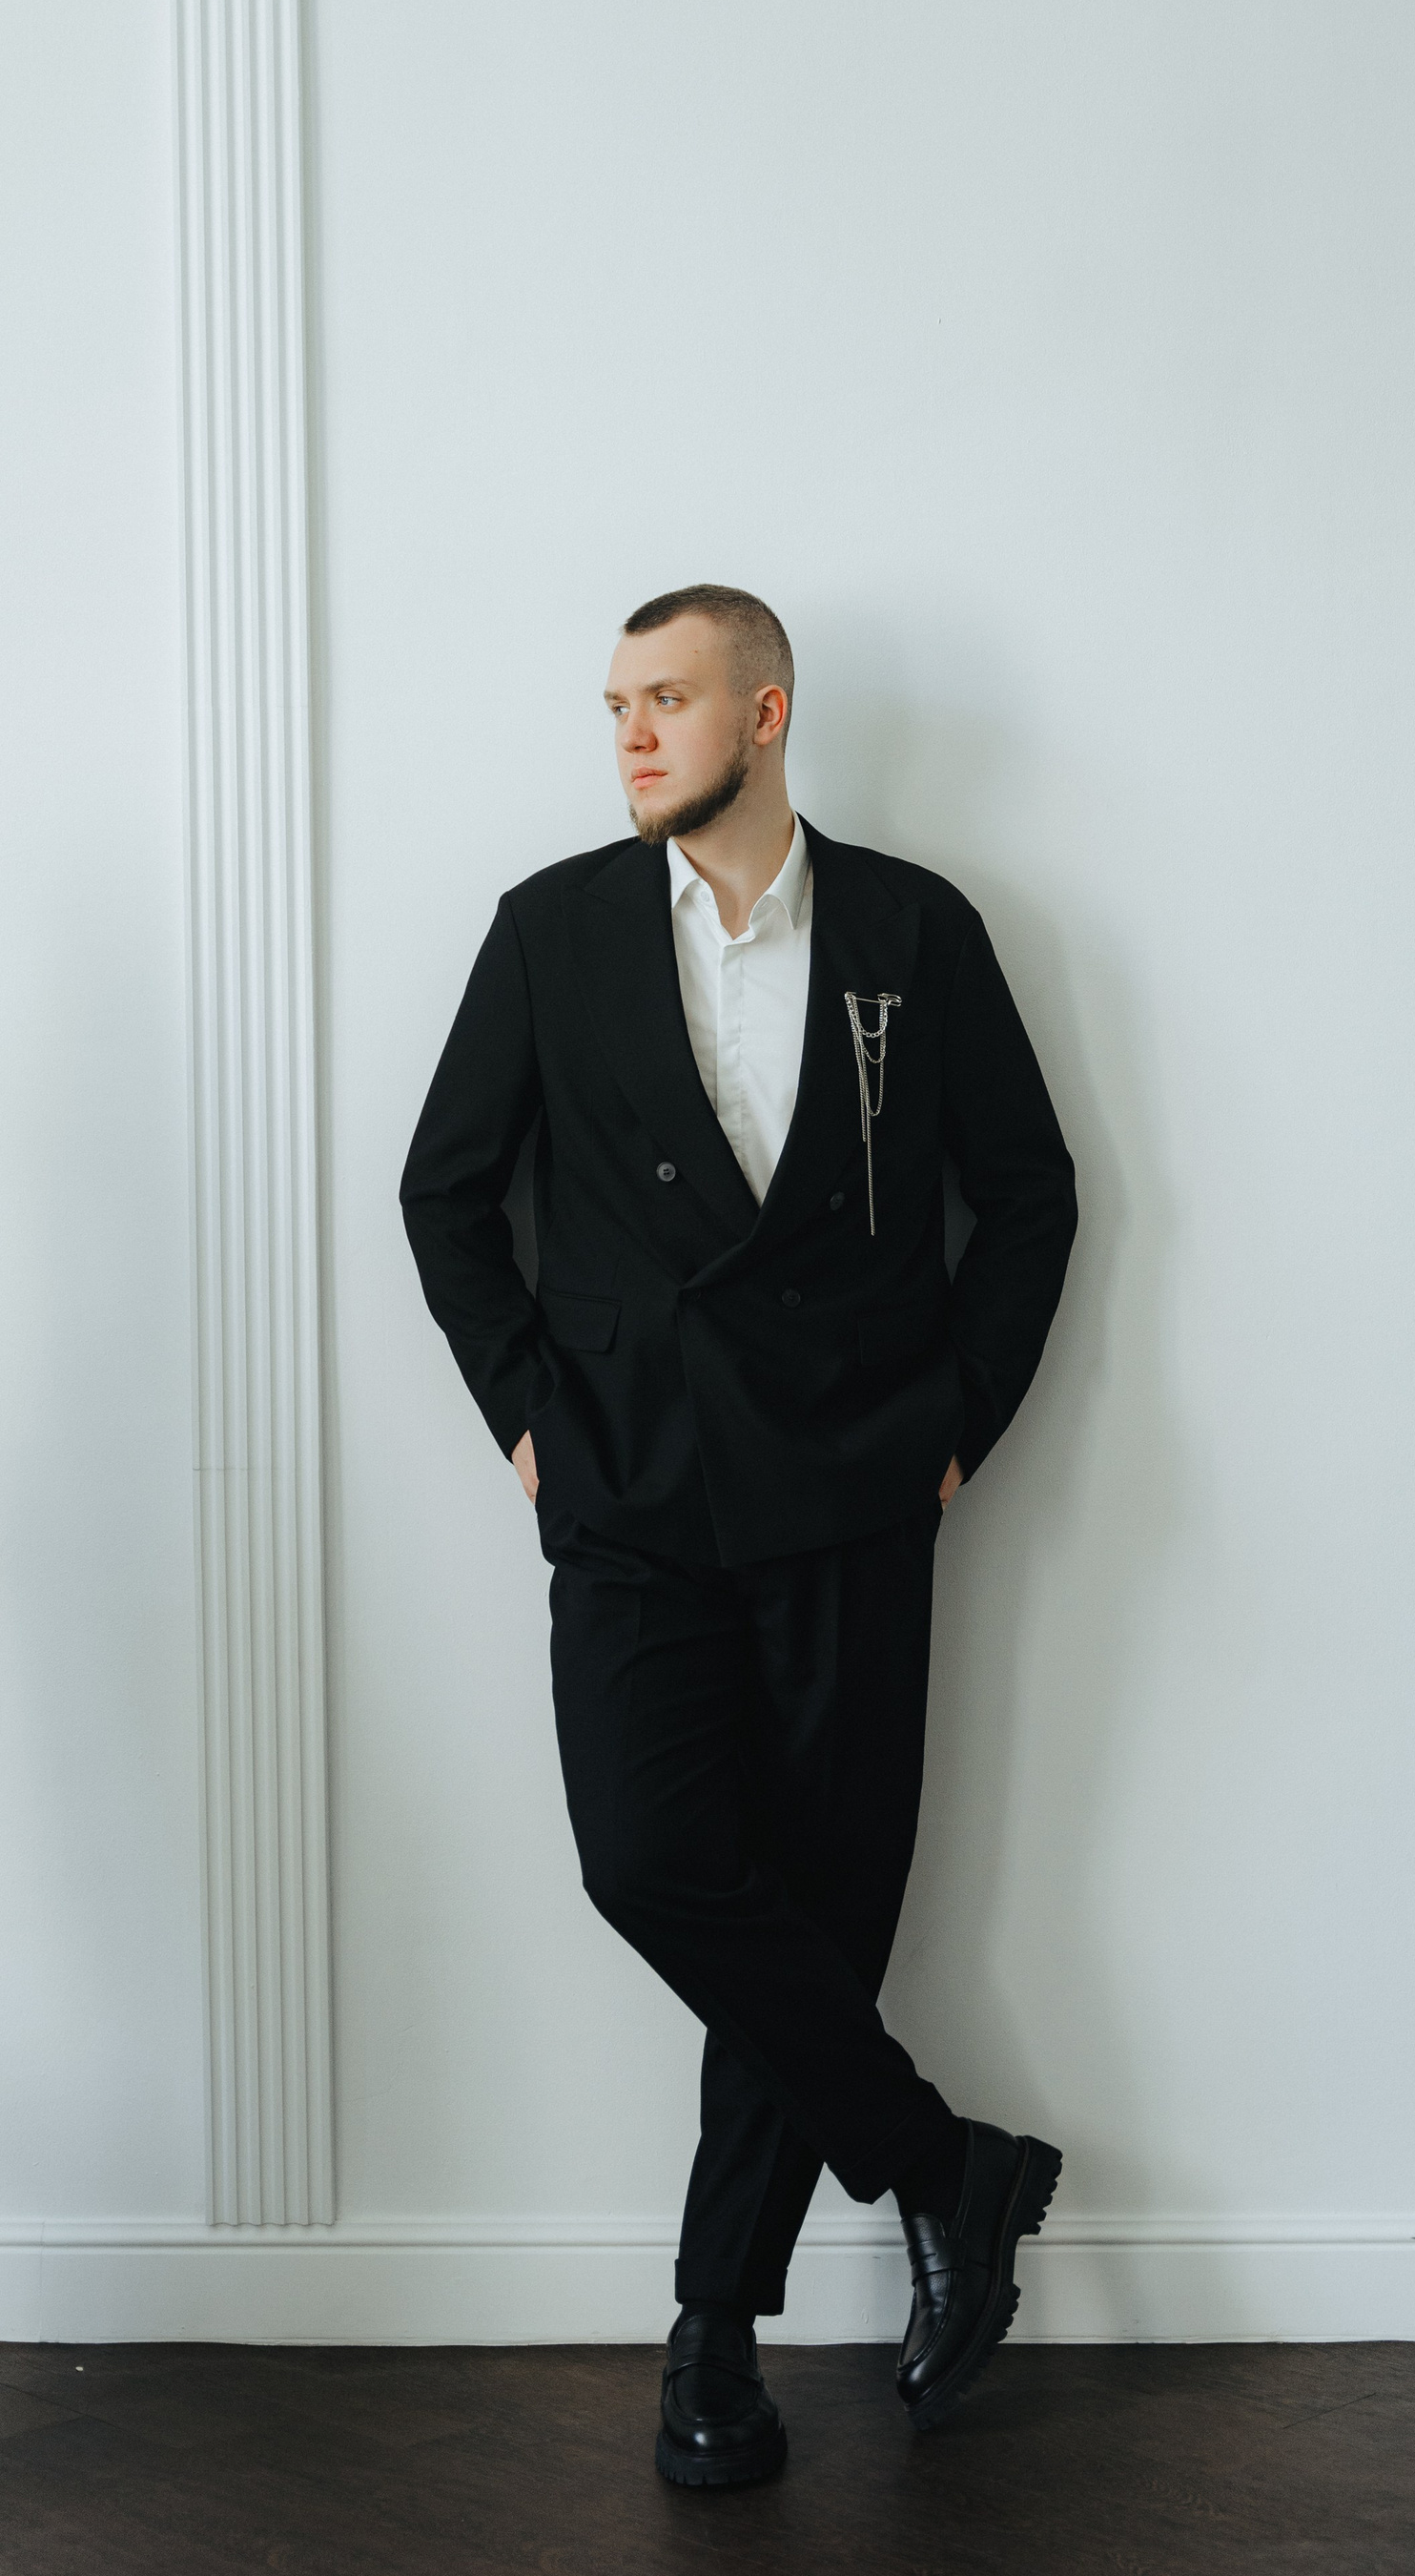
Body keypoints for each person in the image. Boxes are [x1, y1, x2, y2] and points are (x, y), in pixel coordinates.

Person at [400, 584, 1077, 2489]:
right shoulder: (550, 932)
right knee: (652, 1861)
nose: (629, 733)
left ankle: (713, 2337)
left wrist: (958, 1430)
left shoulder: (913, 933)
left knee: (819, 1906)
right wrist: (528, 1418)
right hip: (632, 1489)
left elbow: (1028, 1194)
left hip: (856, 1492)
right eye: (615, 703)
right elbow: (447, 1194)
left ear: (764, 713)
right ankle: (945, 2166)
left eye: (666, 698)